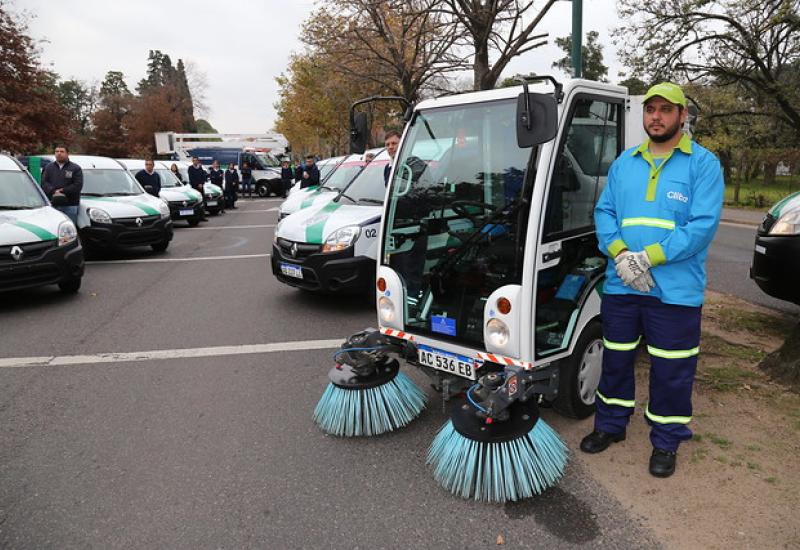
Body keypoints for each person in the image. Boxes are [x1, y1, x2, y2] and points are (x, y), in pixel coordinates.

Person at [580, 82, 724, 478]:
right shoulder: (626, 162)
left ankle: (666, 440)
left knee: (672, 369)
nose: (655, 116)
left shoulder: (703, 164)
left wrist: (650, 257)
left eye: (665, 109)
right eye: (650, 109)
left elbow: (703, 226)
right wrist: (623, 254)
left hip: (676, 293)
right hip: (622, 285)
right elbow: (604, 213)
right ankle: (610, 426)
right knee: (616, 357)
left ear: (683, 115)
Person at [41, 145, 82, 224]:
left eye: (62, 151)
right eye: (57, 151)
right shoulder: (48, 167)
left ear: (67, 154)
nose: (59, 153)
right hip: (52, 205)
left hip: (70, 205)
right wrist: (53, 191)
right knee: (53, 227)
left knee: (69, 228)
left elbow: (78, 185)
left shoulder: (75, 168)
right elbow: (44, 183)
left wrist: (63, 191)